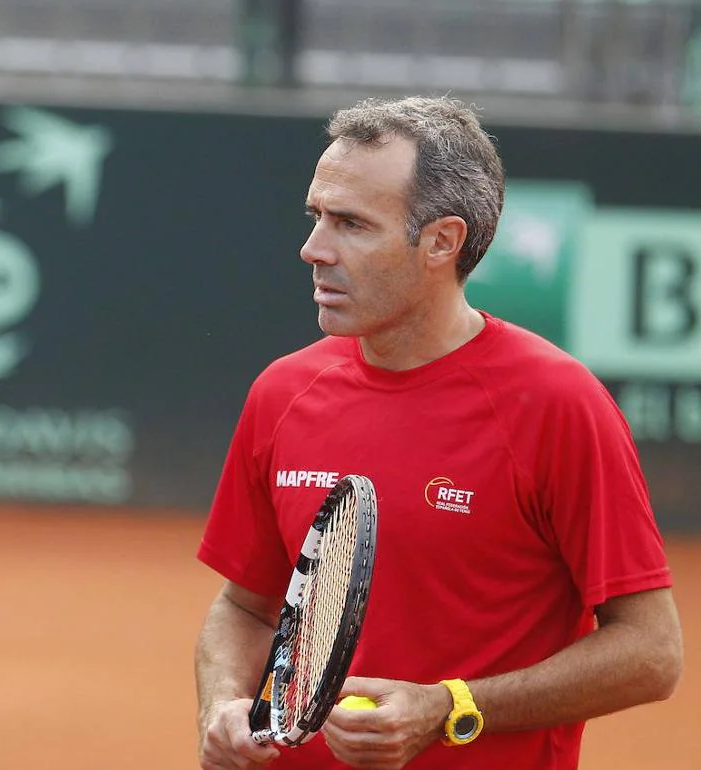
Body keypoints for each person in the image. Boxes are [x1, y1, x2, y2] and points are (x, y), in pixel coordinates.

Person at [193, 96, 683, 770]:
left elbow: (651, 654)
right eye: (316, 217)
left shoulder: (558, 405)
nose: (314, 249)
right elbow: (244, 609)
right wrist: (221, 704)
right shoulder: (282, 392)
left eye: (351, 224)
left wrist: (451, 707)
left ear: (442, 243)